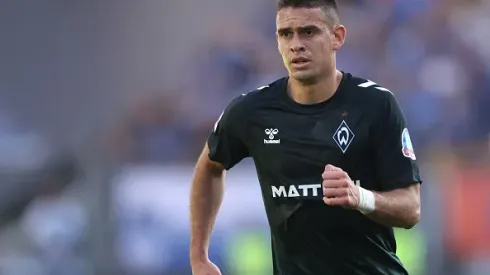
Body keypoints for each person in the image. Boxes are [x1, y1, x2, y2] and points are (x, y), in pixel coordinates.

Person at [189, 0, 422, 274]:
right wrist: (199, 256)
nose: (296, 44)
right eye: (286, 34)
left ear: (337, 37)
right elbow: (209, 167)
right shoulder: (252, 111)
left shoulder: (376, 105)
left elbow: (411, 209)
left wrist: (361, 197)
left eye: (308, 32)